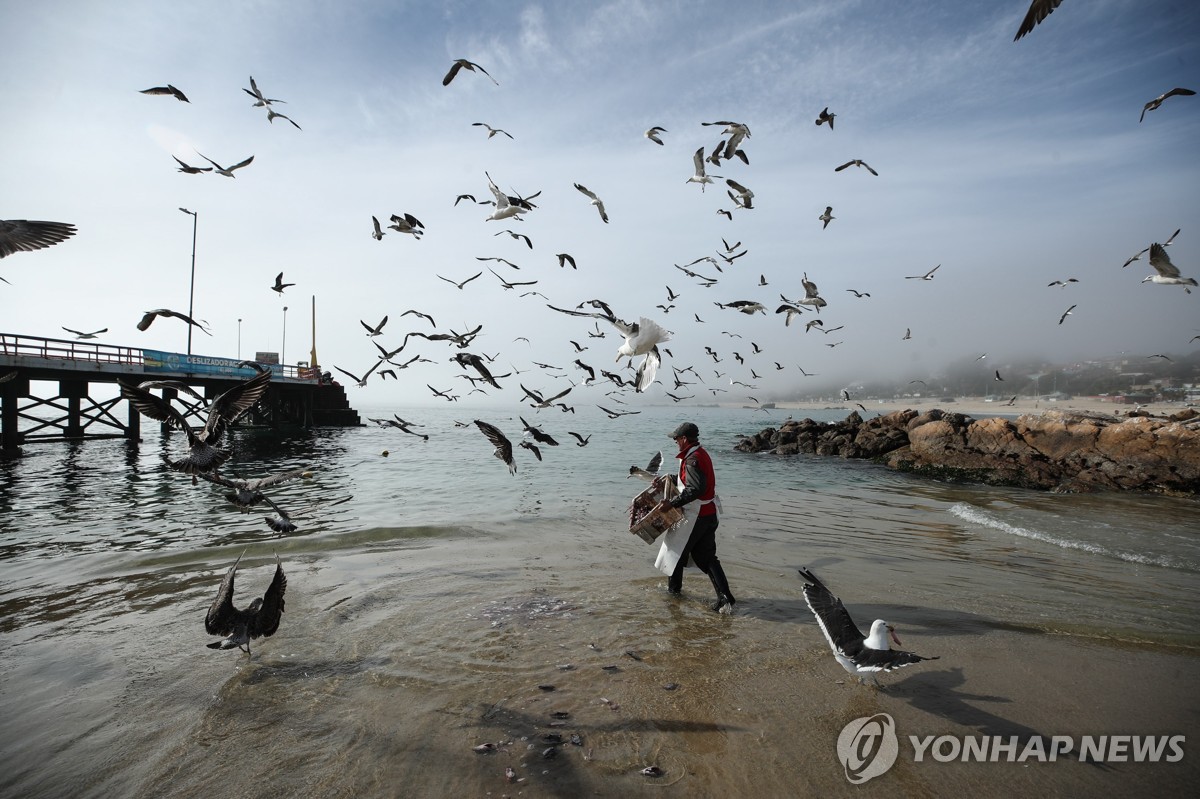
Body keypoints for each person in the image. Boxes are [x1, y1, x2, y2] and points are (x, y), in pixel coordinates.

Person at [655, 421, 736, 612]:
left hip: (696, 517)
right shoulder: (699, 454)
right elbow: (692, 481)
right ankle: (725, 598)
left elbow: (695, 489)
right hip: (708, 515)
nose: (675, 441)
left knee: (673, 555)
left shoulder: (692, 459)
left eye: (676, 438)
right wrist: (670, 479)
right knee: (706, 558)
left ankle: (673, 597)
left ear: (684, 439)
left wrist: (671, 504)